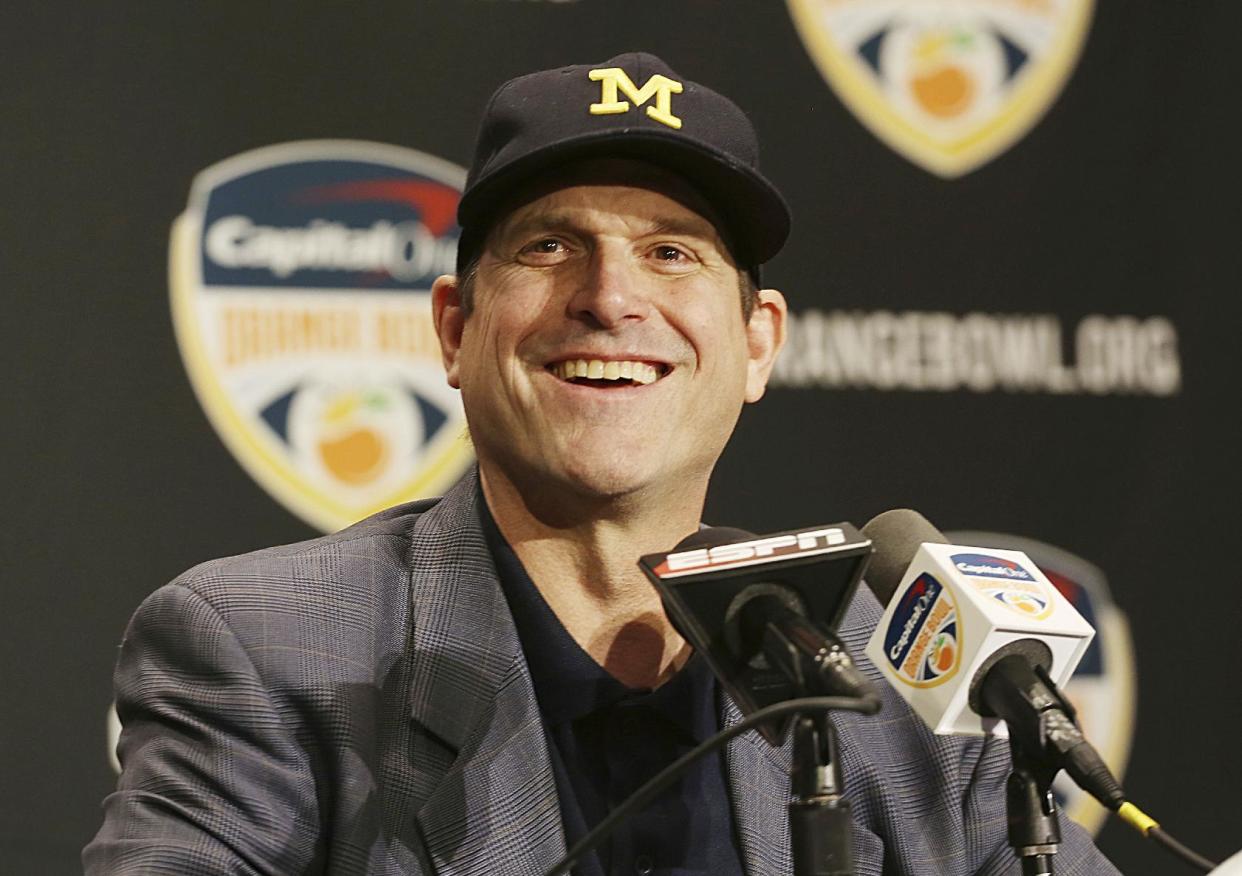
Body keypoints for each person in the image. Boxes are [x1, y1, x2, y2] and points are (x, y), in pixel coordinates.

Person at [84, 53, 1121, 875]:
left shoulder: (913, 677)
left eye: (673, 251)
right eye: (549, 247)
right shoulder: (269, 653)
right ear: (456, 330)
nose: (611, 296)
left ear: (758, 343)